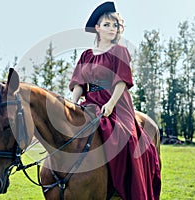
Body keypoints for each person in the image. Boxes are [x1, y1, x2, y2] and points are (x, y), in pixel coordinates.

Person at [69, 2, 161, 200]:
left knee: (121, 137)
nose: (112, 29)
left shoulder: (120, 51)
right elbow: (78, 84)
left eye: (115, 25)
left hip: (117, 104)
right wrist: (72, 104)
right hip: (90, 103)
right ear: (98, 28)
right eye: (107, 24)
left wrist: (110, 104)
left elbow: (121, 82)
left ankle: (122, 188)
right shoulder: (86, 55)